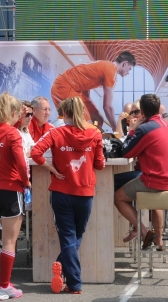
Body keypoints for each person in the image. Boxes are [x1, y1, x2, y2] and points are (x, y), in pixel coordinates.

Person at [31, 97, 105, 294]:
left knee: (69, 237)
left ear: (64, 113)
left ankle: (63, 269)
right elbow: (100, 164)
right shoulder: (95, 133)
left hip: (61, 192)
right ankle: (73, 282)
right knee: (74, 236)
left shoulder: (55, 132)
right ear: (82, 112)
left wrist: (51, 168)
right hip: (85, 192)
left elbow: (35, 152)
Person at [117, 94, 168, 251]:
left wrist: (133, 130)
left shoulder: (145, 129)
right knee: (154, 198)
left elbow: (126, 152)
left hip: (156, 181)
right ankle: (158, 241)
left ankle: (144, 232)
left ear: (142, 111)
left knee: (118, 197)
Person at [0, 93, 28, 300]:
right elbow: (21, 163)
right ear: (13, 112)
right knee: (10, 241)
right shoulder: (13, 134)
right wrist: (26, 181)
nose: (20, 116)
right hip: (10, 189)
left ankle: (4, 281)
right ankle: (4, 286)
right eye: (18, 113)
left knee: (7, 239)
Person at [50, 52, 136, 129]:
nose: (128, 72)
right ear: (125, 64)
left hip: (77, 89)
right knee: (87, 126)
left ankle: (95, 140)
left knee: (97, 119)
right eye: (129, 69)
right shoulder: (111, 70)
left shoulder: (107, 66)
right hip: (65, 86)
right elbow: (107, 107)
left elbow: (85, 82)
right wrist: (115, 128)